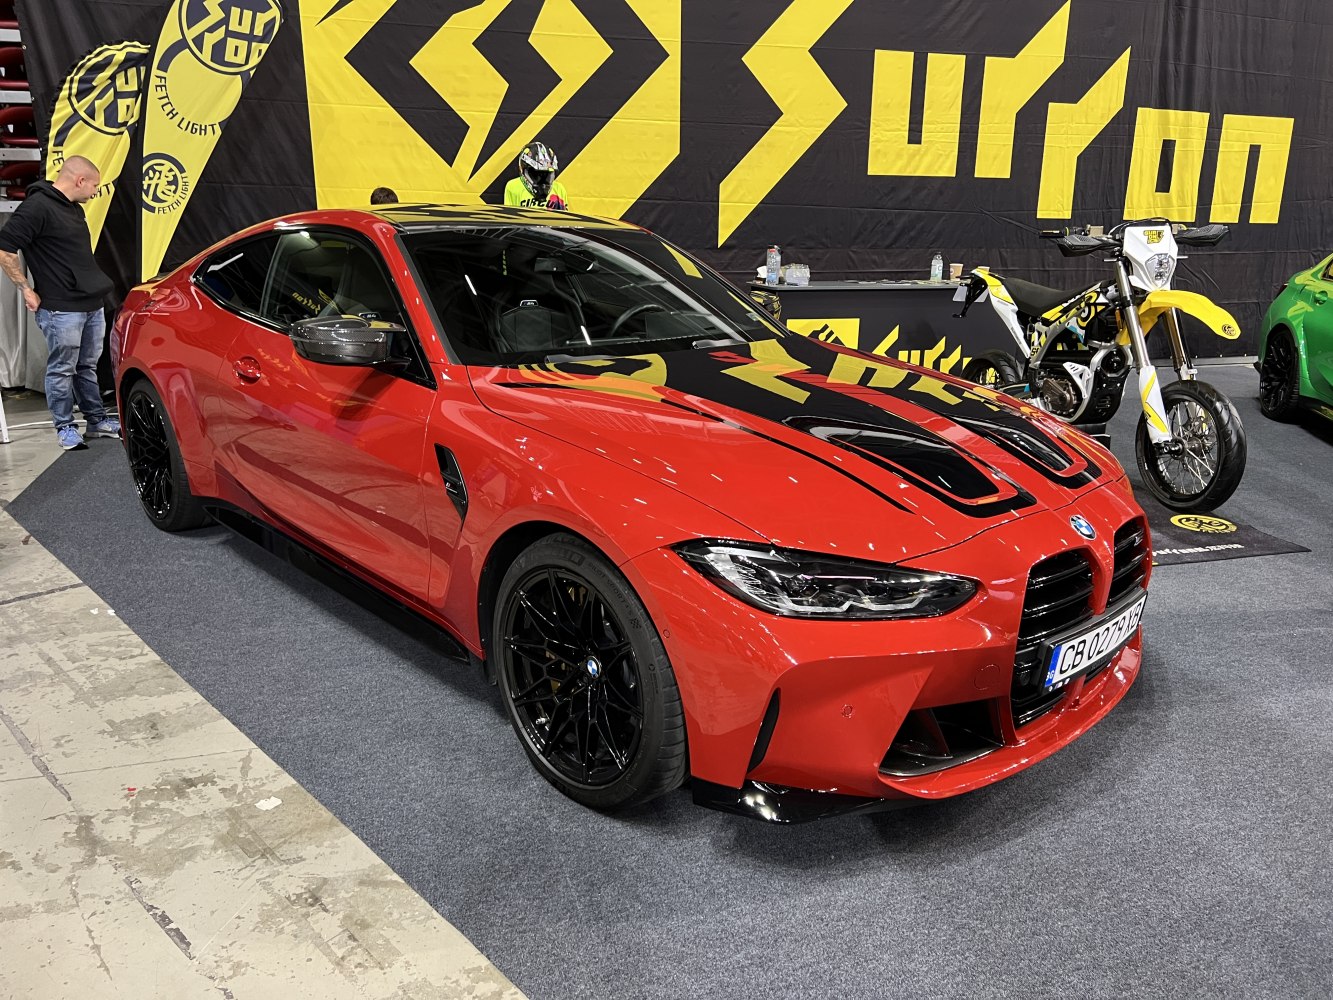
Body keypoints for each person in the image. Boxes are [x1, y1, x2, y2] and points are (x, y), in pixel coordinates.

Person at [0, 155, 118, 450]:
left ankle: (96, 420)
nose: (94, 192)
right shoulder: (37, 207)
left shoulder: (73, 209)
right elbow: (4, 249)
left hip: (91, 303)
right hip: (61, 308)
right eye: (93, 186)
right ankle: (65, 427)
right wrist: (25, 288)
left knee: (87, 366)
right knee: (62, 369)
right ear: (80, 181)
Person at [503, 141, 569, 210]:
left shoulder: (559, 189)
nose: (542, 178)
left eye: (546, 174)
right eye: (535, 174)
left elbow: (565, 218)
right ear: (523, 169)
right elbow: (511, 217)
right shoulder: (513, 187)